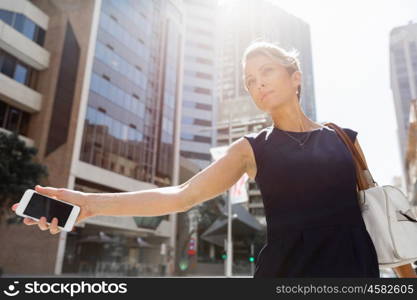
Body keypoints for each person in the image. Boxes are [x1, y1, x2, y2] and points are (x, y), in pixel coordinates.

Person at [11, 40, 416, 278]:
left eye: (267, 71)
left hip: (355, 273)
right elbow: (181, 195)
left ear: (295, 77)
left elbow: (381, 220)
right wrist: (91, 204)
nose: (257, 84)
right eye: (249, 80)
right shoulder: (251, 149)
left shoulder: (342, 138)